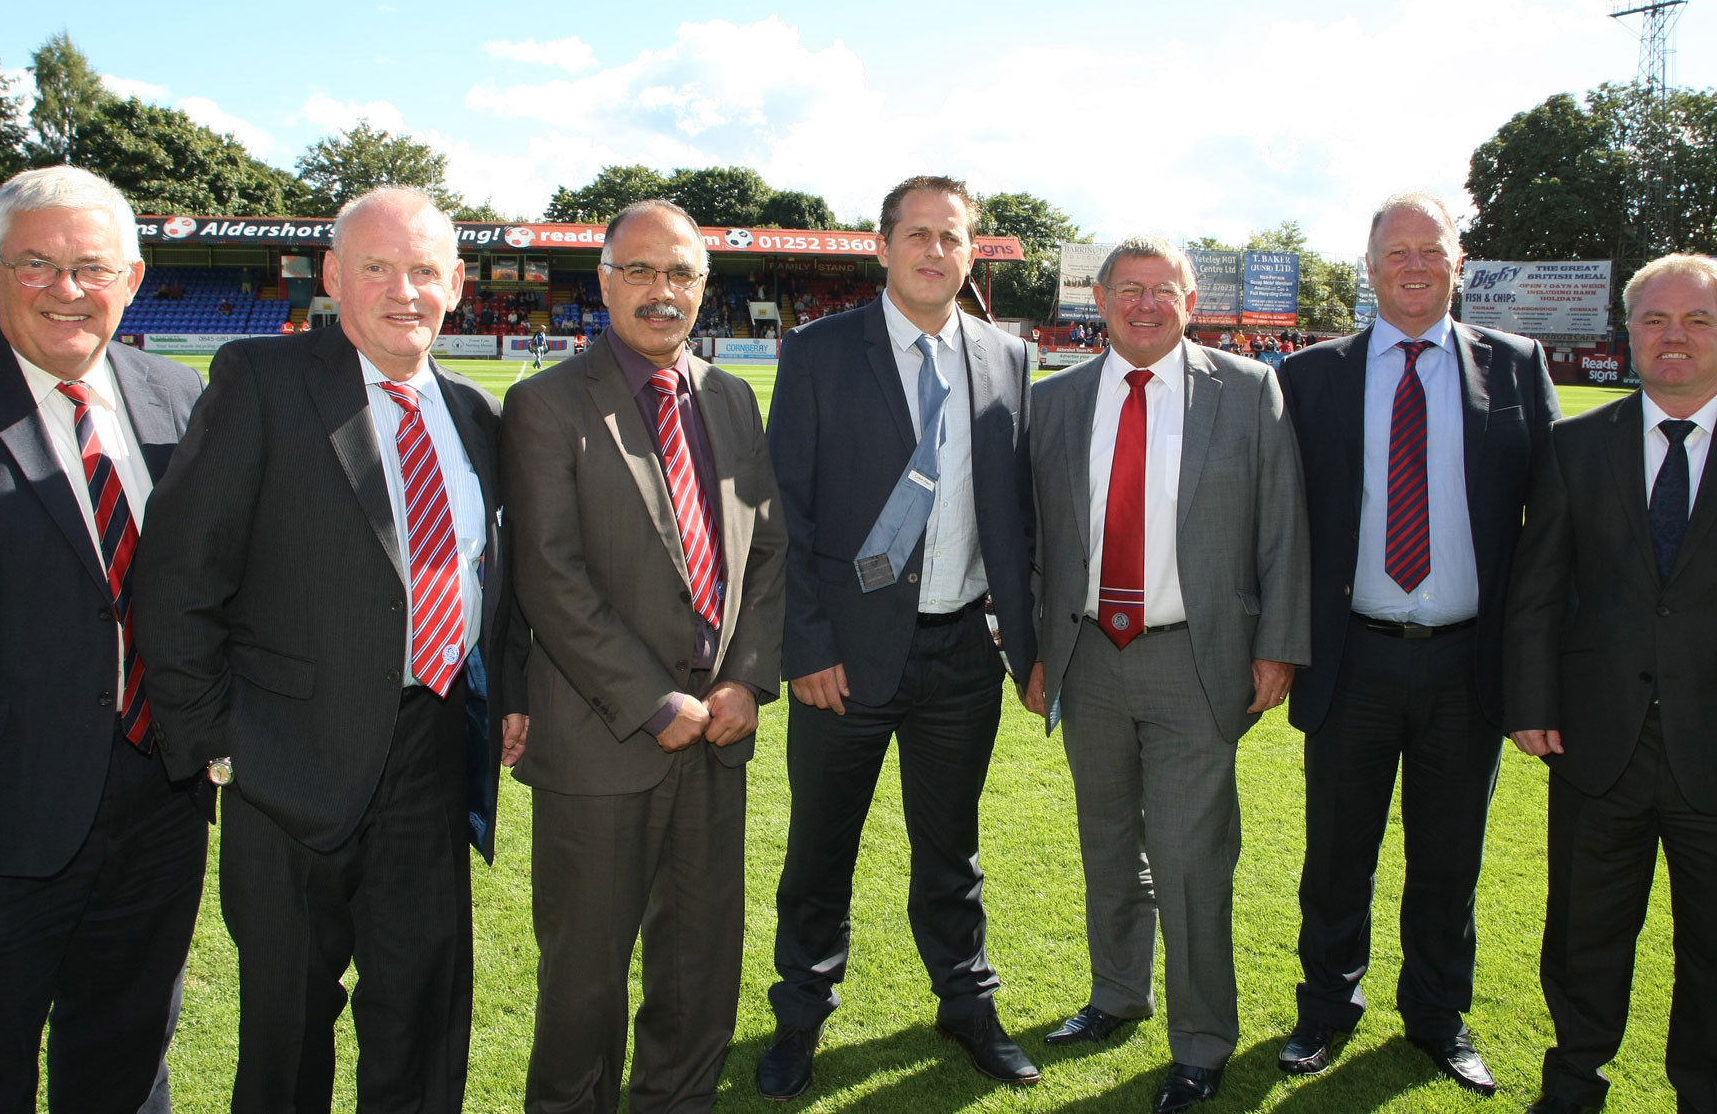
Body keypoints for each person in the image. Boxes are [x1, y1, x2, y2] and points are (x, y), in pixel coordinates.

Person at [136, 186, 526, 1113]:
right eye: (378, 268)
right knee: (289, 1025)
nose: (404, 290)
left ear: (458, 284)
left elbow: (493, 585)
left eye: (424, 270)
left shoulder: (475, 413)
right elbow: (178, 579)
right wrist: (219, 746)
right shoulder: (262, 382)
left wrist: (505, 691)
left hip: (433, 753)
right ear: (331, 278)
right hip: (287, 765)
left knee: (423, 1015)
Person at [1504, 254, 1717, 1114]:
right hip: (1595, 744)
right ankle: (1573, 1084)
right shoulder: (1576, 445)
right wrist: (1531, 703)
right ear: (1630, 334)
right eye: (1656, 320)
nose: (1674, 337)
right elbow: (1539, 586)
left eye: (1696, 320)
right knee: (1582, 939)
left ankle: (1713, 1096)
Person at [0, 166, 209, 1112]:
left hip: (158, 804)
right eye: (35, 264)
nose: (67, 290)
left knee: (126, 1063)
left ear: (132, 277)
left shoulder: (181, 398)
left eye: (91, 267)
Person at [759, 174, 1040, 1098]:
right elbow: (784, 514)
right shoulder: (818, 351)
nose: (933, 251)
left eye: (950, 237)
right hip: (846, 657)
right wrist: (807, 647)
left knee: (951, 851)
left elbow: (1020, 515)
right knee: (820, 851)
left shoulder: (1008, 357)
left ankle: (966, 1005)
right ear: (881, 247)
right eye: (915, 235)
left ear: (971, 252)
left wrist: (1024, 645)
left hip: (962, 652)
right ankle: (800, 1013)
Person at [1271, 192, 1559, 1095]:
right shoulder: (1311, 375)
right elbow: (1276, 523)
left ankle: (1437, 1016)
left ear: (1458, 261)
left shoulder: (1517, 368)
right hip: (1352, 655)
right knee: (1337, 854)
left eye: (1430, 251)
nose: (1415, 267)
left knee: (1448, 857)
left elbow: (1554, 532)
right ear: (1369, 267)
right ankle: (1326, 1009)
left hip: (1466, 662)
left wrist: (1541, 673)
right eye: (1397, 252)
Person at [503, 200, 786, 1114]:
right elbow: (550, 576)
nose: (661, 293)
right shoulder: (546, 402)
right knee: (585, 978)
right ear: (605, 283)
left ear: (705, 286)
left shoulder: (734, 398)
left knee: (699, 964)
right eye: (640, 273)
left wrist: (746, 675)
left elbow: (767, 549)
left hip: (719, 736)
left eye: (681, 275)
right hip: (602, 741)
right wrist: (655, 700)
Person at [1025, 236, 1310, 1111]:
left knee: (1189, 857)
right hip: (1088, 656)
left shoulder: (1249, 386)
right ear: (1099, 300)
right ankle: (1116, 996)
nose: (1146, 306)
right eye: (1129, 290)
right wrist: (1036, 648)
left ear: (1191, 300)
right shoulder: (1057, 398)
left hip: (1196, 657)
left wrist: (1279, 646)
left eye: (1165, 291)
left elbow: (1282, 524)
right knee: (1108, 844)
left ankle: (1201, 1040)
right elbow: (1037, 539)